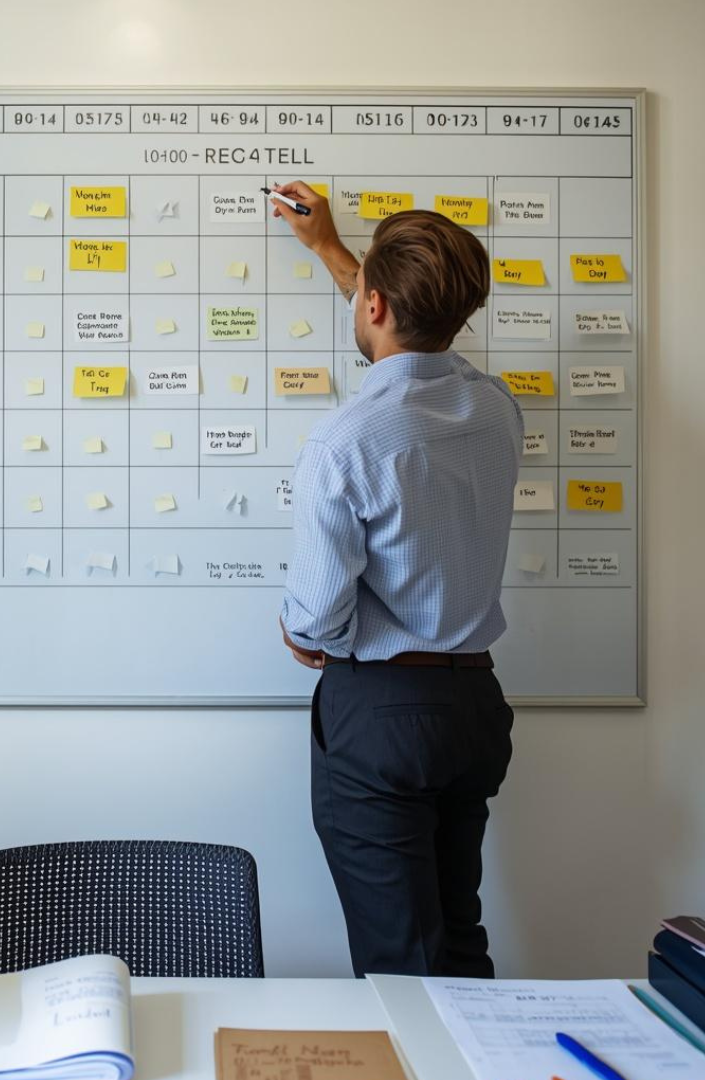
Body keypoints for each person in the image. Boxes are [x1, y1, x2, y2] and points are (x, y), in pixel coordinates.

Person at [272, 182, 523, 978]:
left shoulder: (345, 439)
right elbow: (421, 336)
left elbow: (315, 616)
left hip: (382, 714)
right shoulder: (495, 409)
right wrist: (334, 254)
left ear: (373, 305)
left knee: (400, 966)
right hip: (473, 707)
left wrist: (302, 632)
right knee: (457, 940)